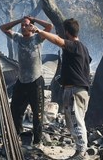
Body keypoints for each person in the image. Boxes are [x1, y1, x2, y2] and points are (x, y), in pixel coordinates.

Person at [32, 18, 92, 160]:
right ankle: (79, 150)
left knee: (76, 122)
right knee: (74, 121)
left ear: (66, 32)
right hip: (79, 90)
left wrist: (39, 31)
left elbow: (58, 41)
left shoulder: (74, 46)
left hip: (74, 91)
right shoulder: (83, 48)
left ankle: (82, 153)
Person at [0, 16, 53, 146]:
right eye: (22, 26)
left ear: (32, 27)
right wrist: (20, 20)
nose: (23, 28)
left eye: (26, 25)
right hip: (22, 80)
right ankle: (17, 136)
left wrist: (34, 19)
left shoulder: (38, 38)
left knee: (37, 113)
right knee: (15, 110)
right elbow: (3, 28)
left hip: (35, 80)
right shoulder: (18, 38)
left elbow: (49, 27)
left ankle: (37, 141)